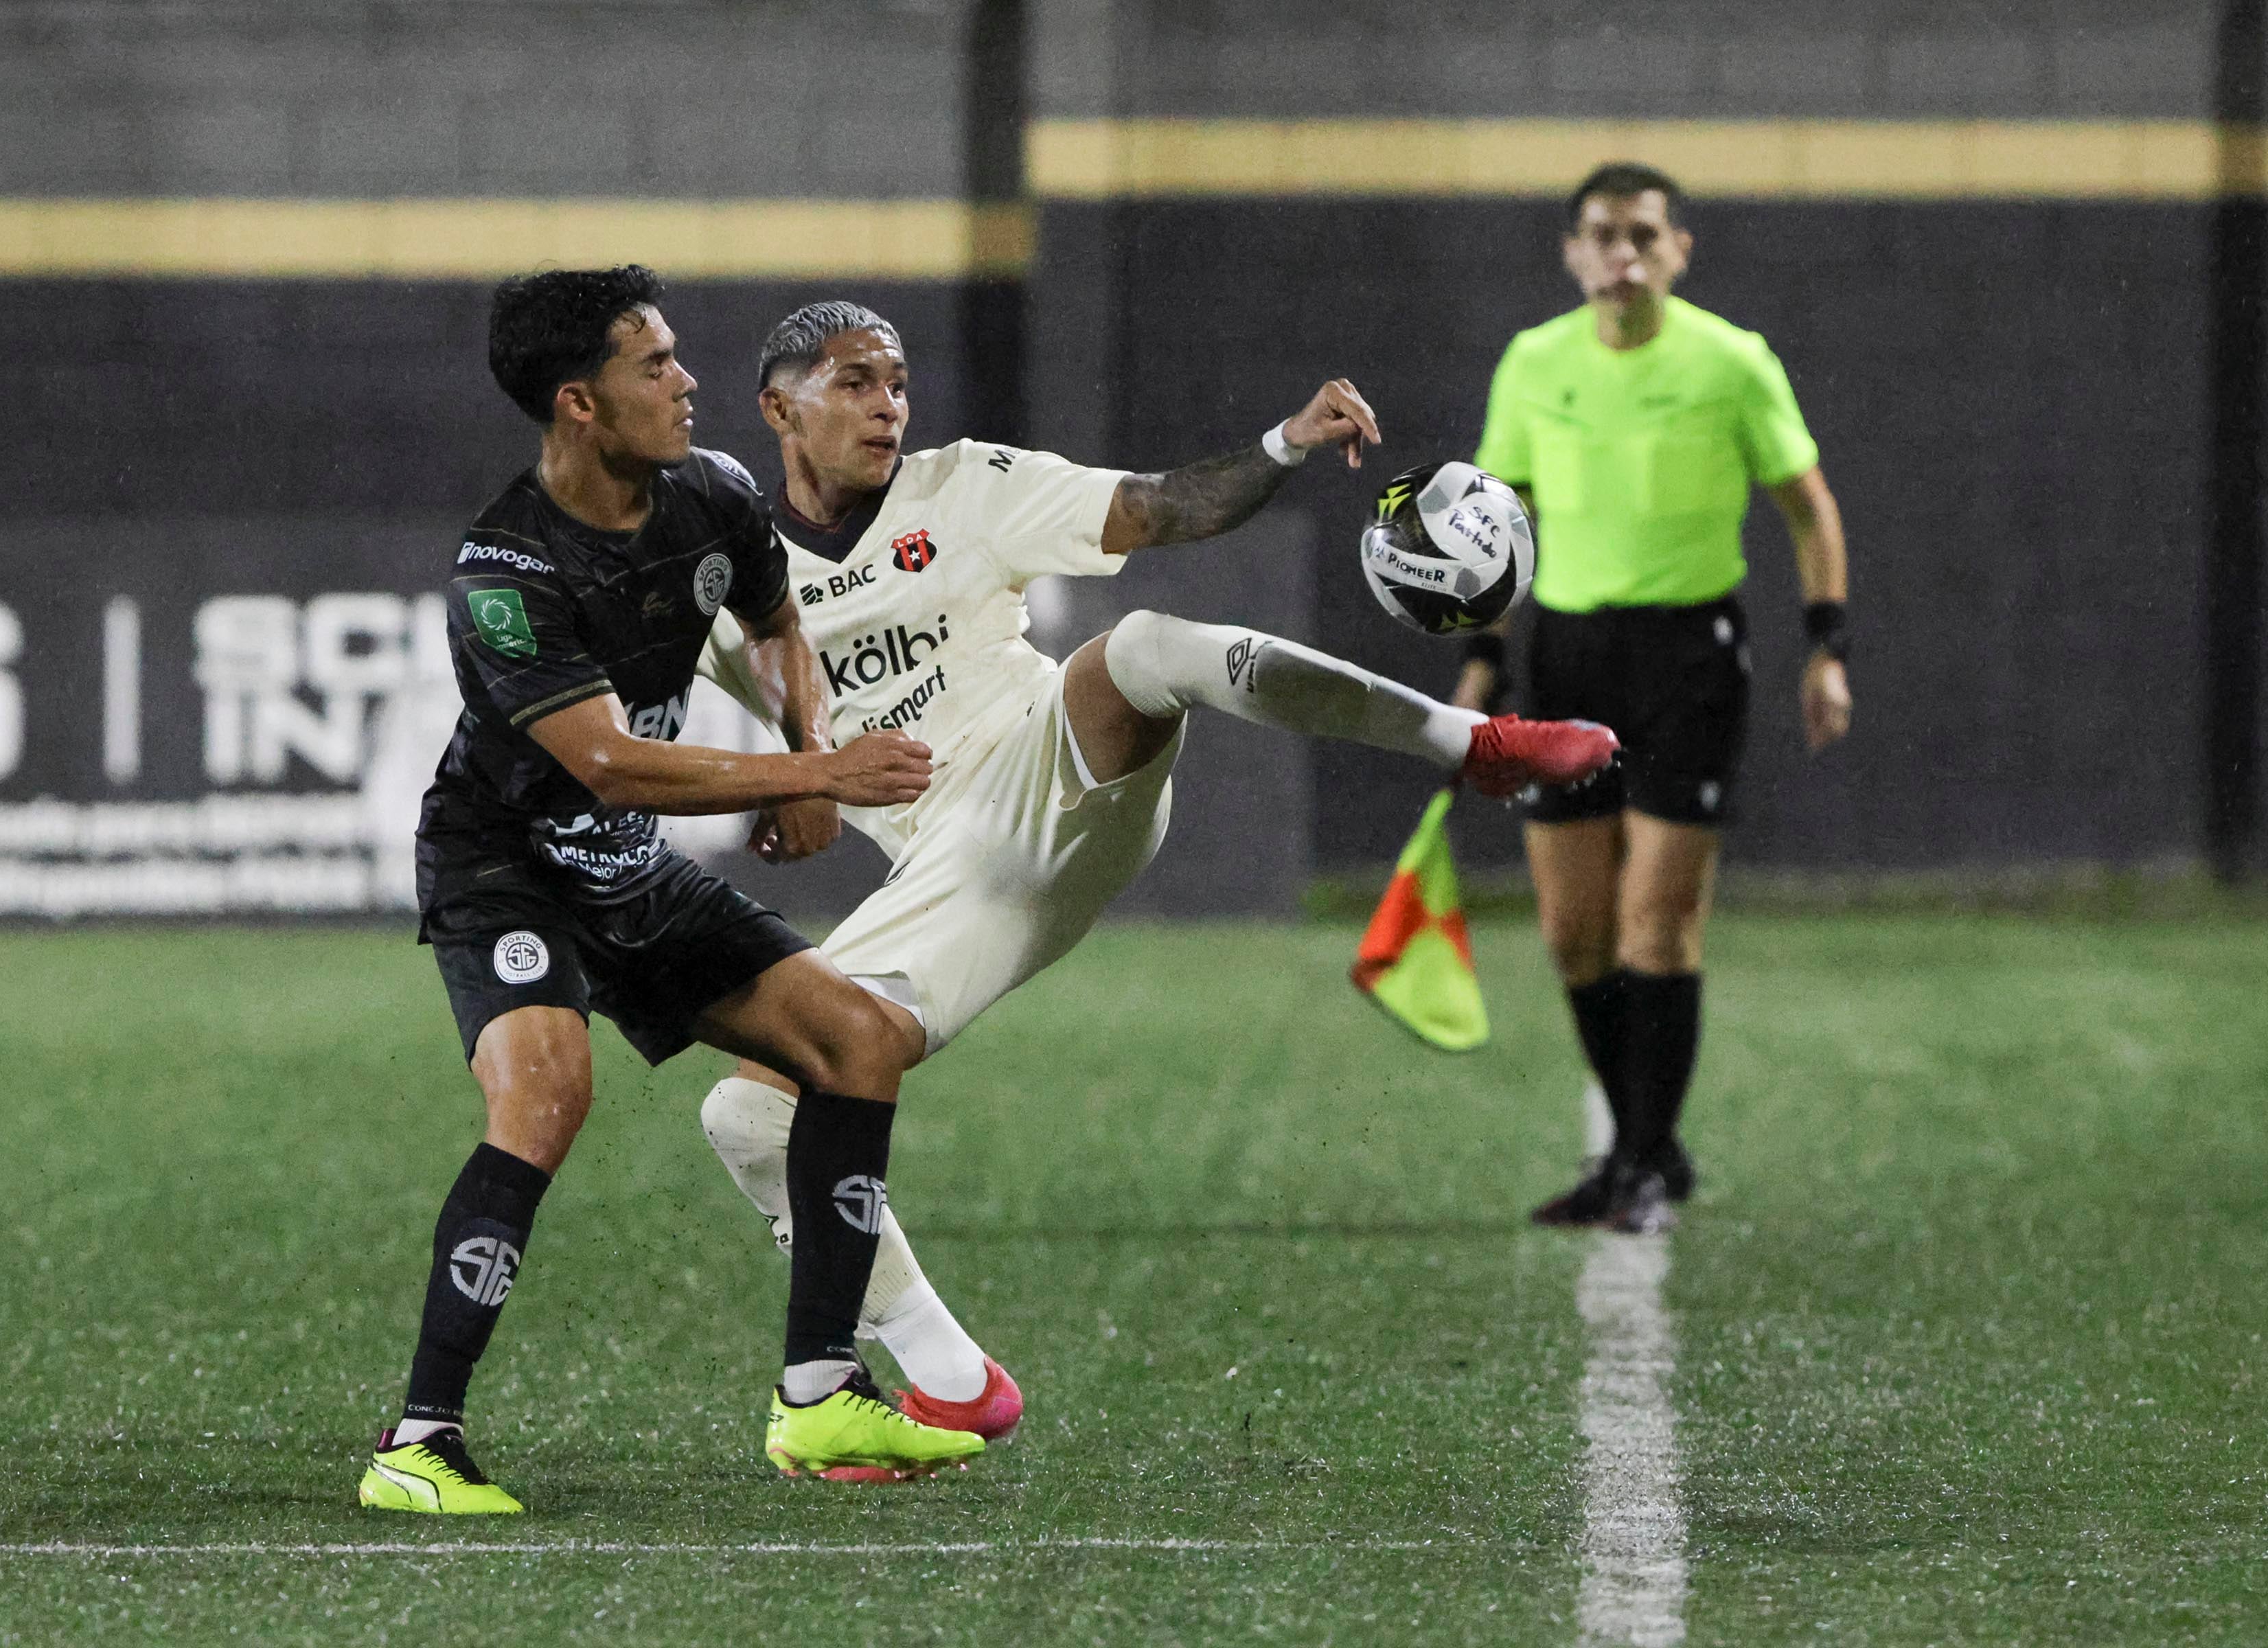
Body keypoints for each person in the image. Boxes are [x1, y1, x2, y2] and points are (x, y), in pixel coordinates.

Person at [691, 300, 1620, 1458]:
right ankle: (951, 1377)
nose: (889, 406)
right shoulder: (723, 582)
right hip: (955, 875)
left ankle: (1475, 743)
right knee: (749, 1111)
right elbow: (634, 734)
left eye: (897, 381)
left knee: (1141, 649)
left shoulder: (964, 486)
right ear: (779, 409)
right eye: (854, 383)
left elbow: (1161, 505)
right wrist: (788, 784)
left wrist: (1284, 445)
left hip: (1053, 761)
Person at [358, 267, 985, 1515]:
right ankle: (417, 1446)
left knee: (858, 1041)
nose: (689, 382)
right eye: (656, 365)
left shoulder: (713, 494)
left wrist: (804, 746)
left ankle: (820, 1392)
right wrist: (818, 770)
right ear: (581, 403)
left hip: (625, 869)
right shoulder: (505, 570)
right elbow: (608, 762)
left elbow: (777, 623)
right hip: (506, 867)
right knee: (546, 1095)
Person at [1451, 162, 1853, 1235]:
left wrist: (1828, 647)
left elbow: (1808, 507)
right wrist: (1486, 661)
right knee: (1574, 934)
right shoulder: (1533, 362)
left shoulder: (1733, 362)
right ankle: (1649, 1148)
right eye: (1602, 235)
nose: (1622, 255)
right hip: (1568, 659)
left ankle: (1632, 1164)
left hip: (1689, 659)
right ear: (1572, 252)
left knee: (1656, 925)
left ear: (1679, 250)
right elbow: (1500, 525)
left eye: (1642, 235)